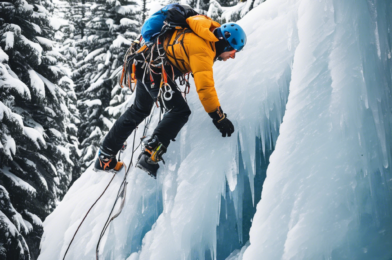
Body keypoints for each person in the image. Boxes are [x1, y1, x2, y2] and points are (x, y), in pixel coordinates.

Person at [94, 15, 247, 177]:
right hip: (155, 71)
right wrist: (219, 118)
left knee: (139, 110)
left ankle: (105, 157)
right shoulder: (204, 48)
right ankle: (150, 155)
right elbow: (205, 89)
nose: (232, 56)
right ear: (225, 45)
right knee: (179, 111)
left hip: (145, 62)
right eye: (233, 51)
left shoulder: (201, 35)